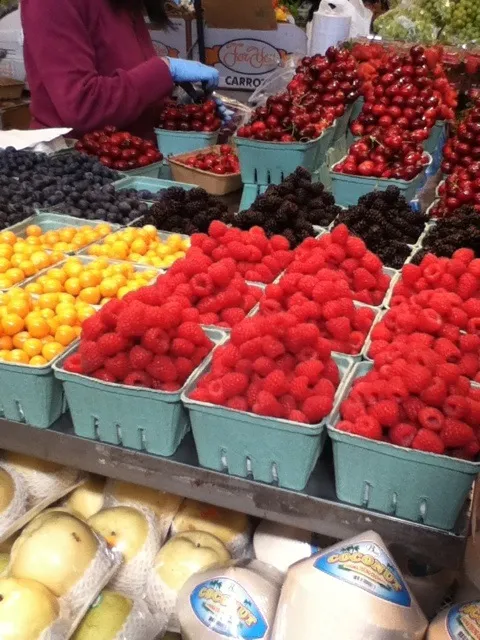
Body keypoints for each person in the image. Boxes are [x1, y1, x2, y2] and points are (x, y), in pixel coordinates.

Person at [20, 0, 220, 138]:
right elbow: (82, 106)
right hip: (73, 170)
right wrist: (164, 70)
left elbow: (128, 84)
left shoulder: (121, 4)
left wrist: (184, 108)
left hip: (129, 161)